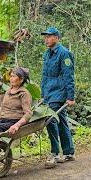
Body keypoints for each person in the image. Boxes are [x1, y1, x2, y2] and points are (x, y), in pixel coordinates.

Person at [41, 27, 75, 168]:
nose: (46, 39)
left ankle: (54, 152)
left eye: (49, 36)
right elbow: (45, 76)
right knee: (61, 121)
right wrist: (43, 94)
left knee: (50, 120)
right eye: (45, 37)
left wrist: (70, 96)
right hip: (49, 92)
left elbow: (69, 76)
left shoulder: (64, 53)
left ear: (56, 37)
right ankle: (68, 152)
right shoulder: (47, 54)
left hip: (59, 92)